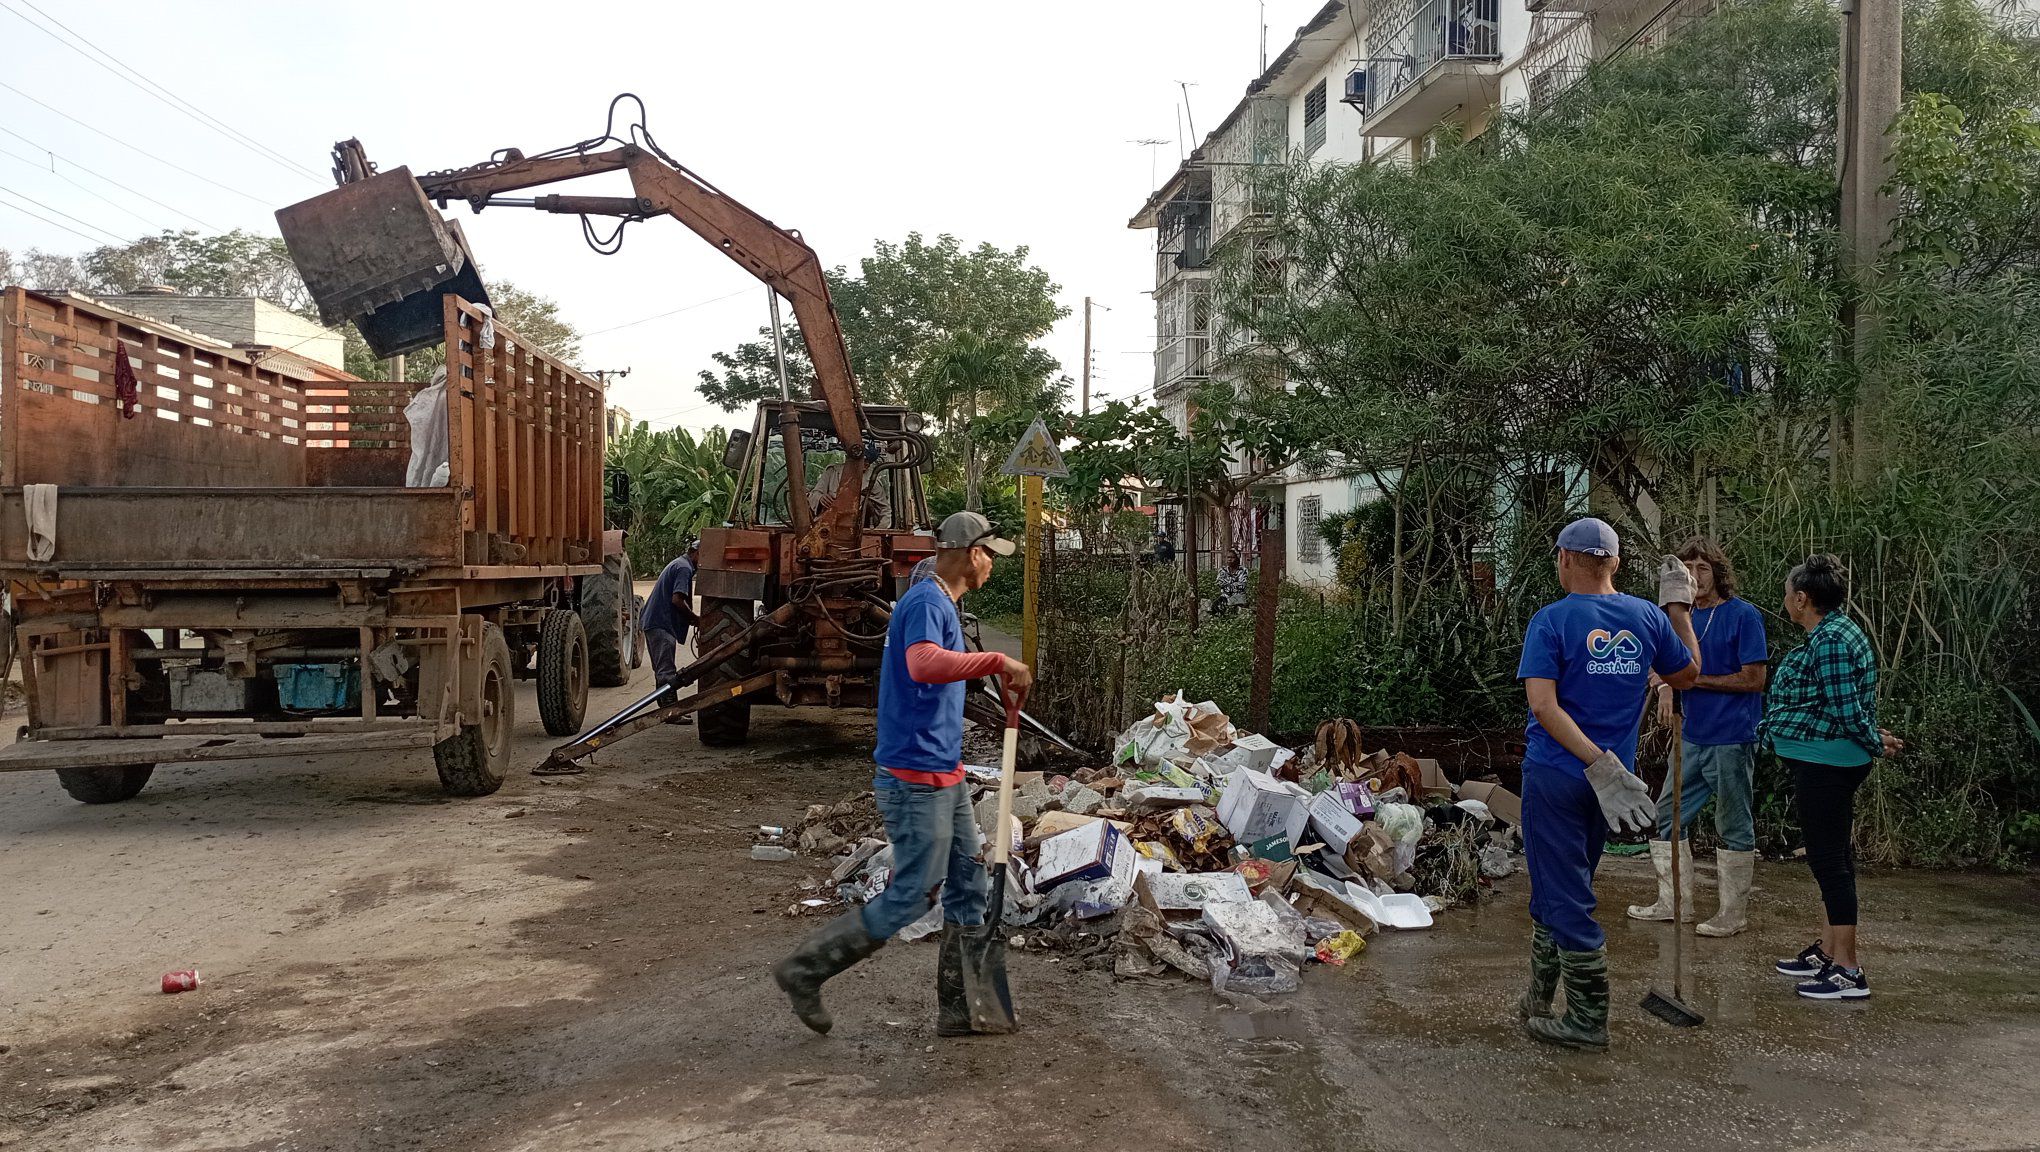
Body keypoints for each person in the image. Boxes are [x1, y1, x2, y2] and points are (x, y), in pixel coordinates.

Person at [773, 511, 1032, 1037]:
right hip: (915, 779)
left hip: (944, 773)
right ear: (966, 553)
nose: (990, 564)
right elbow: (922, 664)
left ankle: (960, 1010)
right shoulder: (925, 602)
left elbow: (938, 674)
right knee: (913, 894)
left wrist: (985, 674)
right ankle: (805, 969)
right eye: (987, 553)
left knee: (969, 883)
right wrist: (996, 663)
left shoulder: (941, 604)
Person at [1516, 517, 1700, 1052]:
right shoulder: (1647, 616)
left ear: (1565, 559)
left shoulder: (1550, 621)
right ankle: (1536, 1000)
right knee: (1559, 889)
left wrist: (1593, 763)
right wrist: (1679, 609)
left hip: (1559, 776)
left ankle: (1586, 1021)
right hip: (1613, 787)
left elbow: (1544, 707)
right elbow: (1689, 673)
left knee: (1567, 897)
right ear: (1615, 563)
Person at [1762, 554, 1902, 1001]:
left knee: (1829, 862)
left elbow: (1844, 711)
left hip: (1829, 763)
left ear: (1802, 599)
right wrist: (1872, 734)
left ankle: (1847, 968)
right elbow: (1840, 708)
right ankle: (1828, 949)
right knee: (1833, 857)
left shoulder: (1833, 641)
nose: (1785, 600)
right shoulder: (1826, 635)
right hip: (1821, 757)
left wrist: (1873, 741)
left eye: (1788, 594)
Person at [1627, 536, 1768, 936]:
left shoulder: (1743, 616)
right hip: (1691, 737)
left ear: (1718, 572)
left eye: (1702, 567)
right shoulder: (1679, 619)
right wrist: (1668, 686)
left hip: (1732, 736)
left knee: (1733, 822)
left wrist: (1692, 681)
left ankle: (1731, 914)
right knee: (1666, 817)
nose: (1694, 576)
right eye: (1687, 569)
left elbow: (1754, 679)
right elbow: (1664, 666)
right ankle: (1675, 904)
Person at [640, 541, 699, 724]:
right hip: (661, 623)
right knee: (666, 671)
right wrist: (695, 618)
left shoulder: (679, 563)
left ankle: (666, 711)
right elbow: (677, 600)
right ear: (694, 553)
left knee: (662, 670)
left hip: (655, 622)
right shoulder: (684, 568)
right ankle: (672, 713)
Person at [1215, 551, 1248, 615]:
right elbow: (1219, 583)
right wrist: (1234, 585)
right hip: (1224, 597)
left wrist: (1227, 586)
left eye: (1232, 557)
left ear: (1237, 558)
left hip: (1239, 598)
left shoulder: (1243, 570)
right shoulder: (1222, 570)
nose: (1230, 559)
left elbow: (1242, 585)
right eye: (1228, 557)